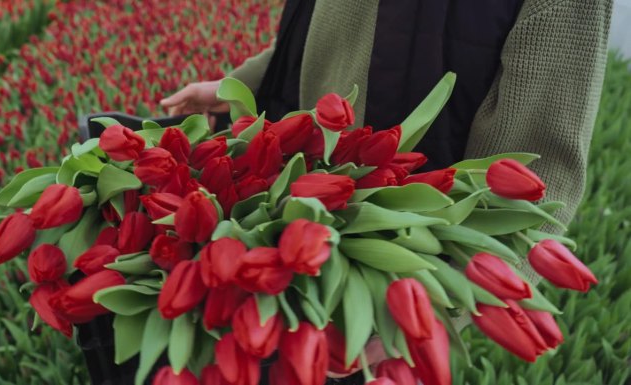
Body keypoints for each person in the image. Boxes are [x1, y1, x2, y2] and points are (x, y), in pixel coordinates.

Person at [161, 0, 612, 383]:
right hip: (287, 201)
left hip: (389, 272)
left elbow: (539, 162)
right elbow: (331, 20)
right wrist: (251, 81)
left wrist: (429, 317)